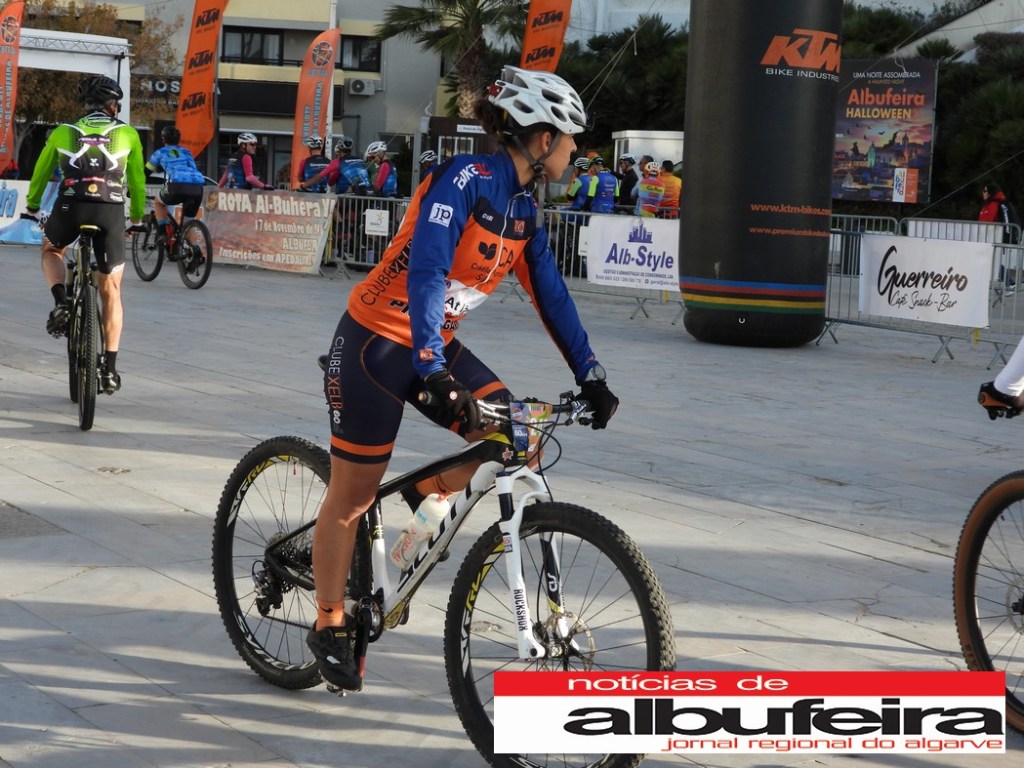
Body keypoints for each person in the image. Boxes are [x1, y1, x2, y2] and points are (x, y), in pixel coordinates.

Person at [306, 64, 619, 691]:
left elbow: (550, 294)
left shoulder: (523, 207)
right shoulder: (465, 179)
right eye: (571, 138)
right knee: (354, 497)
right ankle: (330, 618)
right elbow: (426, 269)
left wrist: (589, 372)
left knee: (519, 436)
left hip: (433, 345)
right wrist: (430, 366)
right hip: (375, 345)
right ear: (542, 137)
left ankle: (426, 501)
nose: (577, 150)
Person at [25, 74, 146, 394]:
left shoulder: (64, 131)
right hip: (109, 212)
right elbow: (138, 182)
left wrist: (33, 206)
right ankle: (109, 369)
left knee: (52, 250)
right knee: (112, 288)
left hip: (70, 208)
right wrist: (135, 218)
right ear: (113, 106)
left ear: (86, 105)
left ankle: (62, 302)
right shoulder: (128, 133)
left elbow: (40, 172)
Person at [145, 125, 206, 246]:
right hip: (198, 187)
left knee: (158, 201)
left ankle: (162, 232)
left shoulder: (160, 152)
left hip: (178, 185)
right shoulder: (186, 152)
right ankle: (194, 251)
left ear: (163, 139)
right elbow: (192, 169)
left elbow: (146, 172)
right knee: (187, 224)